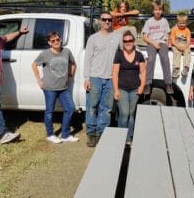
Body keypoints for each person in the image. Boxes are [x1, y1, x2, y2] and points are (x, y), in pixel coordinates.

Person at [32, 31, 79, 144]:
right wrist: (39, 80)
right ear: (49, 42)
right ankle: (50, 134)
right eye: (53, 40)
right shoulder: (45, 54)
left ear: (61, 40)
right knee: (49, 111)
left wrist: (70, 75)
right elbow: (34, 64)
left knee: (70, 109)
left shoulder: (66, 52)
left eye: (58, 39)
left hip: (63, 88)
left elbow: (73, 63)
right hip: (49, 88)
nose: (56, 42)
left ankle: (65, 135)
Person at [84, 12, 121, 147]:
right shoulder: (93, 38)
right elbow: (87, 59)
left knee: (106, 109)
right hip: (95, 77)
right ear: (100, 21)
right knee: (92, 107)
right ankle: (91, 134)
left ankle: (102, 134)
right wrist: (87, 78)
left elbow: (126, 51)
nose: (107, 21)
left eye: (109, 20)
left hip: (111, 79)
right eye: (104, 19)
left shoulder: (118, 37)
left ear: (112, 21)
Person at [112, 30, 146, 144]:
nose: (128, 43)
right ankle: (121, 137)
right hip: (122, 88)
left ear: (134, 41)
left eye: (130, 40)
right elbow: (115, 73)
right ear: (123, 42)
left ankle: (129, 137)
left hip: (135, 89)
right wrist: (116, 90)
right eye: (125, 41)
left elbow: (143, 72)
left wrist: (142, 86)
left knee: (131, 114)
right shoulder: (119, 54)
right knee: (124, 113)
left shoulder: (139, 55)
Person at [142, 0, 173, 95]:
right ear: (153, 11)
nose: (158, 11)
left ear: (162, 10)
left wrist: (167, 43)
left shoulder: (164, 21)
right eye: (156, 9)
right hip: (151, 43)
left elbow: (167, 34)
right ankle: (147, 83)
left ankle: (168, 83)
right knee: (151, 59)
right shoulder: (149, 22)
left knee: (165, 58)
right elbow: (145, 37)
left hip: (162, 43)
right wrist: (154, 43)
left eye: (160, 9)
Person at [171, 13, 191, 78]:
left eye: (183, 23)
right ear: (177, 22)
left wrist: (185, 47)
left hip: (185, 44)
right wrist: (177, 46)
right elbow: (173, 40)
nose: (182, 25)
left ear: (186, 23)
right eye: (180, 23)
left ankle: (186, 68)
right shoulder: (174, 29)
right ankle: (176, 69)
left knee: (188, 52)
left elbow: (188, 41)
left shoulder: (187, 30)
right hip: (176, 44)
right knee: (176, 53)